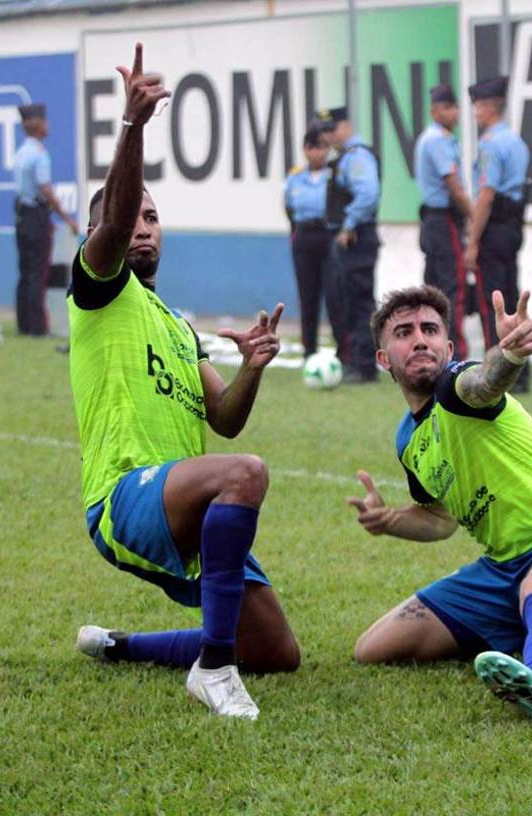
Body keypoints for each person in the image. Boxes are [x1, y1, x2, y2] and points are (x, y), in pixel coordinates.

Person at [70, 44, 300, 719]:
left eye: (152, 218)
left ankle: (125, 646)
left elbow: (225, 417)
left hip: (184, 508)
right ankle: (215, 670)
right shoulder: (100, 291)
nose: (141, 229)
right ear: (96, 236)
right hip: (123, 498)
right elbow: (112, 221)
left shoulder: (175, 323)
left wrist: (252, 370)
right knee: (245, 473)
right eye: (128, 218)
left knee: (278, 651)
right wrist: (135, 126)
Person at [347, 285, 532, 724]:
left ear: (449, 346)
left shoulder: (456, 387)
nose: (420, 338)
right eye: (403, 332)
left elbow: (484, 384)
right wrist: (389, 521)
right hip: (503, 568)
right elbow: (439, 520)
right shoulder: (408, 439)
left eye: (430, 329)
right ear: (384, 358)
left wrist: (510, 355)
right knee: (373, 648)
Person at [464, 76, 531, 393]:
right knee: (514, 301)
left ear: (489, 106)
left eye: (477, 106)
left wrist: (473, 242)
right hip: (513, 226)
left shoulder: (490, 143)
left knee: (494, 302)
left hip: (493, 231)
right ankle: (521, 369)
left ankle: (498, 371)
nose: (475, 113)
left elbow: (486, 195)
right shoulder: (516, 141)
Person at [318, 105, 381, 383]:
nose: (329, 136)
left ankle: (364, 365)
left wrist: (349, 225)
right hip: (349, 238)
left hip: (356, 238)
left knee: (359, 302)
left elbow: (368, 194)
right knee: (347, 300)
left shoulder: (357, 157)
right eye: (325, 131)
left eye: (332, 129)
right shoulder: (344, 157)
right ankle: (356, 360)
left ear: (346, 126)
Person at [414, 83, 473, 358]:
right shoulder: (438, 140)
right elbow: (454, 186)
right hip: (443, 220)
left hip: (432, 220)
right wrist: (474, 217)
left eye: (456, 106)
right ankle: (456, 352)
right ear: (434, 111)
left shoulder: (434, 137)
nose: (456, 113)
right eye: (448, 107)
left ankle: (434, 348)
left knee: (434, 287)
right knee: (452, 287)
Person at [13, 102, 78, 336]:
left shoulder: (21, 152)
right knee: (38, 273)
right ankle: (37, 326)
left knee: (25, 271)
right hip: (37, 217)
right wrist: (66, 217)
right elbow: (46, 189)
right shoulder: (40, 154)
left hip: (21, 214)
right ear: (39, 124)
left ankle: (24, 323)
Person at [284, 124, 332, 357]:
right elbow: (289, 208)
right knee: (307, 295)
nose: (318, 153)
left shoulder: (333, 175)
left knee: (334, 294)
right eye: (313, 148)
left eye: (322, 148)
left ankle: (342, 350)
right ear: (305, 150)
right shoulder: (295, 177)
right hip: (304, 236)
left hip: (327, 234)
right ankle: (309, 349)